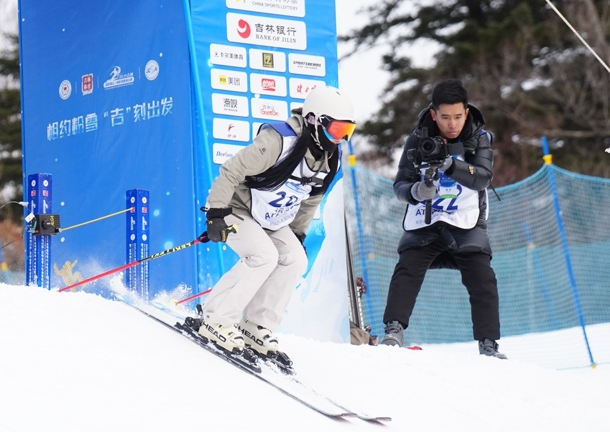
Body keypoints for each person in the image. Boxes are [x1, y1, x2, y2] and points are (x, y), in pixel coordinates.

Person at [197, 85, 356, 362]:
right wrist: (216, 214)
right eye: (336, 130)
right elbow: (232, 170)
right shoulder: (279, 141)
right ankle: (215, 319)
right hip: (237, 208)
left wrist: (297, 235)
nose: (340, 139)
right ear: (314, 120)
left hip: (271, 218)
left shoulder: (330, 160)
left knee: (295, 259)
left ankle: (255, 325)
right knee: (263, 256)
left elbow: (311, 199)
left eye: (347, 131)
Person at [379, 79, 504, 358]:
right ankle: (393, 331)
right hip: (426, 221)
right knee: (407, 268)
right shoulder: (417, 138)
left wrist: (451, 165)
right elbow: (400, 185)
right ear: (434, 114)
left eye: (458, 116)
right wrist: (415, 191)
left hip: (465, 222)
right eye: (445, 117)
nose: (452, 124)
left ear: (466, 113)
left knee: (483, 278)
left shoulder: (479, 137)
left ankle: (488, 344)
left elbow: (483, 178)